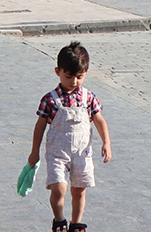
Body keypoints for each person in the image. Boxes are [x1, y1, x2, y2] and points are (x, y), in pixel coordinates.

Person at [28, 41, 113, 232]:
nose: (74, 81)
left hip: (82, 152)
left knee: (79, 190)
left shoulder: (88, 97)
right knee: (59, 188)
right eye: (69, 76)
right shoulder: (50, 99)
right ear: (58, 71)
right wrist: (34, 152)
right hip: (57, 152)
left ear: (86, 73)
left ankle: (76, 224)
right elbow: (40, 126)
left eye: (79, 77)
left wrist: (106, 142)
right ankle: (59, 221)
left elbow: (99, 120)